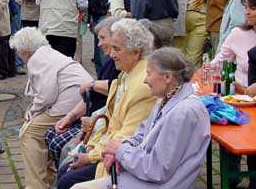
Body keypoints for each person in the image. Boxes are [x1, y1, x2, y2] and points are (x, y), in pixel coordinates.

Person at [80, 48, 210, 189]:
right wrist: (117, 151)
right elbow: (141, 134)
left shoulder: (183, 112)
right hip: (144, 178)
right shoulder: (166, 98)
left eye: (148, 73)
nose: (145, 80)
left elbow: (157, 169)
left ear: (167, 77)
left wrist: (121, 151)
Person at [56, 18, 156, 189]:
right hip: (108, 147)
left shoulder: (142, 85)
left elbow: (127, 136)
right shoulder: (127, 72)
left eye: (117, 49)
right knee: (66, 168)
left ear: (136, 52)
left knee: (67, 180)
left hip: (122, 161)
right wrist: (91, 146)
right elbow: (110, 118)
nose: (111, 54)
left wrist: (91, 155)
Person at [10, 27, 93, 189]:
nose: (19, 56)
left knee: (29, 133)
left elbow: (46, 95)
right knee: (37, 129)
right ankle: (47, 178)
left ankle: (36, 185)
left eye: (19, 52)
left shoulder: (37, 58)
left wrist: (32, 112)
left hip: (70, 103)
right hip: (79, 100)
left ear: (25, 51)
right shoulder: (47, 53)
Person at [44, 17, 122, 169]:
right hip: (92, 118)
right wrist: (70, 116)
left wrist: (92, 84)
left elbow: (116, 87)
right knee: (51, 134)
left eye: (102, 38)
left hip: (100, 123)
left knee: (59, 145)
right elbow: (89, 97)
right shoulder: (110, 62)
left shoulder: (120, 65)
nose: (99, 44)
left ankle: (65, 174)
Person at [212, 0, 256, 91]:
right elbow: (218, 63)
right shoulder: (237, 33)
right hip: (241, 95)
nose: (247, 13)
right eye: (246, 8)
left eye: (253, 8)